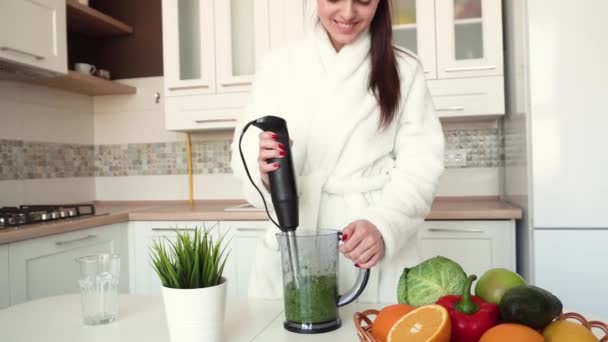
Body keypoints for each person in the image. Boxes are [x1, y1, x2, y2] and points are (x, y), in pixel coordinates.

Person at [230, 0, 445, 303]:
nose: (347, 13)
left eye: (363, 1)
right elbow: (248, 148)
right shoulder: (278, 65)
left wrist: (383, 226)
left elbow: (421, 164)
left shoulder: (405, 69)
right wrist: (263, 172)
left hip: (367, 238)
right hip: (296, 232)